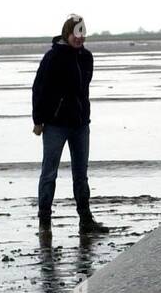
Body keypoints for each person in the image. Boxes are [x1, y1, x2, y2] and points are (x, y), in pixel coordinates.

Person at [31, 14, 109, 233]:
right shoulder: (52, 57)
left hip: (81, 124)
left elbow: (83, 89)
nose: (80, 38)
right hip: (55, 125)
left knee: (80, 173)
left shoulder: (86, 57)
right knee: (49, 172)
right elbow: (39, 89)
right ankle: (44, 221)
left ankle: (86, 220)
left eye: (83, 33)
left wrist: (83, 112)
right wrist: (39, 120)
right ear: (68, 33)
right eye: (76, 33)